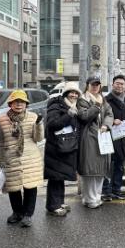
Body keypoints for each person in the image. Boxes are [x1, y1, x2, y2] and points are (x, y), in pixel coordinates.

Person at [0, 90, 44, 227]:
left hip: (31, 158)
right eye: (15, 102)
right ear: (10, 104)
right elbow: (1, 141)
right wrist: (1, 160)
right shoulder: (3, 119)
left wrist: (39, 125)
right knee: (13, 187)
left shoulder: (33, 117)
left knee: (30, 187)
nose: (19, 104)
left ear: (26, 104)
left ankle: (28, 215)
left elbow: (38, 138)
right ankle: (17, 212)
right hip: (11, 157)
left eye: (22, 102)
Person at [44, 82, 82, 216]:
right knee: (55, 177)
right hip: (56, 147)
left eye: (76, 93)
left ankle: (59, 201)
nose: (74, 95)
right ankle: (53, 206)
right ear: (65, 93)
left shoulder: (72, 105)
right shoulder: (56, 105)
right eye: (71, 92)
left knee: (61, 176)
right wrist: (68, 115)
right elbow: (52, 124)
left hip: (65, 146)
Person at [77, 76, 114, 208]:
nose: (95, 87)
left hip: (102, 137)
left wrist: (106, 125)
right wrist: (97, 106)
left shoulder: (103, 99)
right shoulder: (82, 100)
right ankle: (89, 199)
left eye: (97, 85)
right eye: (92, 84)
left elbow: (109, 114)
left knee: (100, 170)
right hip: (89, 137)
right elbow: (84, 116)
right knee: (90, 170)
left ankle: (96, 197)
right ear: (87, 85)